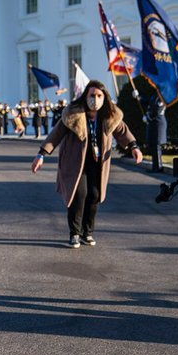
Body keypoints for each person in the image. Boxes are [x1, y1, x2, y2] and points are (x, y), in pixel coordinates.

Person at [31, 80, 142, 248]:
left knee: (95, 195)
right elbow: (56, 135)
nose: (95, 100)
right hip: (76, 163)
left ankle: (87, 232)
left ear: (104, 97)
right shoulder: (72, 114)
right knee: (79, 194)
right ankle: (75, 233)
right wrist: (41, 154)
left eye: (99, 96)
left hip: (98, 163)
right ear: (85, 96)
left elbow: (123, 131)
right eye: (92, 95)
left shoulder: (110, 115)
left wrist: (134, 147)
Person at [143, 93, 167, 173]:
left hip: (158, 123)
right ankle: (155, 166)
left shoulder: (161, 97)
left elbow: (157, 111)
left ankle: (158, 167)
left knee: (157, 145)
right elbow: (147, 100)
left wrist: (148, 117)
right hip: (153, 123)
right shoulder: (154, 96)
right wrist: (138, 96)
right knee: (153, 145)